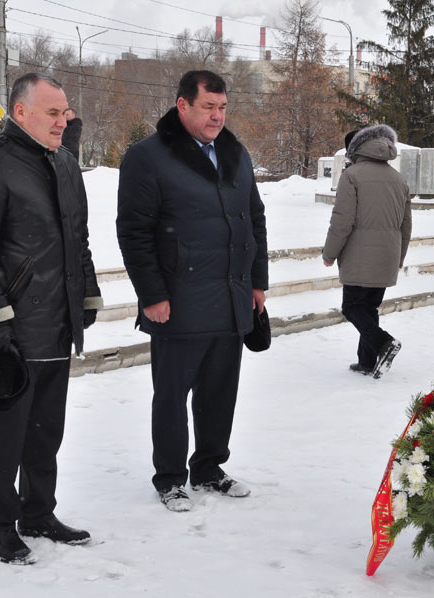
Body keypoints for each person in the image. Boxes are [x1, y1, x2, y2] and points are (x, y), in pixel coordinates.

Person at [0, 72, 103, 564]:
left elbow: (76, 238)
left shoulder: (64, 164)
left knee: (46, 430)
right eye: (53, 113)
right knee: (10, 433)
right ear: (21, 112)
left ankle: (39, 512)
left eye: (66, 112)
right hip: (11, 328)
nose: (64, 121)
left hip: (57, 319)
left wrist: (87, 298)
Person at [117, 70, 268, 513]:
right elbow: (134, 232)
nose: (218, 116)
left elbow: (254, 220)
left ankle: (208, 468)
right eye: (209, 107)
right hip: (178, 301)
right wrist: (151, 295)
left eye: (223, 108)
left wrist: (257, 281)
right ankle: (169, 478)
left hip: (231, 295)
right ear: (182, 105)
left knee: (221, 390)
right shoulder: (148, 157)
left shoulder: (234, 153)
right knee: (172, 395)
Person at [322, 124, 411, 379]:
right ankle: (367, 361)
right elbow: (406, 225)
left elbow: (342, 220)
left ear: (355, 150)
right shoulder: (399, 179)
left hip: (358, 257)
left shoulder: (352, 175)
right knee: (369, 308)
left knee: (352, 307)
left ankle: (384, 343)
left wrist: (329, 254)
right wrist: (399, 257)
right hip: (387, 255)